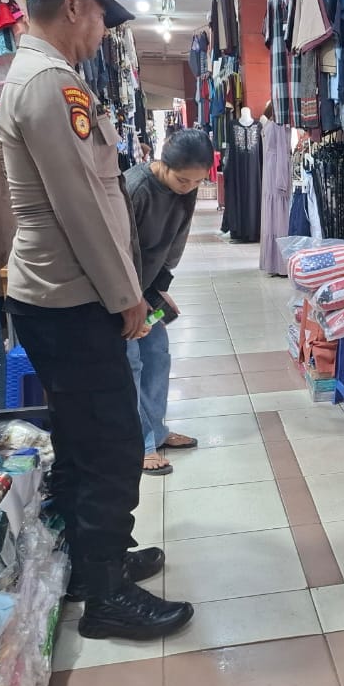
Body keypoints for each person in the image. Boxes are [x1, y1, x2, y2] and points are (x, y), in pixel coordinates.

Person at [0, 0, 193, 641]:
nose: (102, 33)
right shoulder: (51, 83)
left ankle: (92, 563)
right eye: (101, 18)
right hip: (72, 297)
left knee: (85, 437)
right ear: (75, 6)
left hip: (60, 294)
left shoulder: (40, 77)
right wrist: (126, 296)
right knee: (110, 444)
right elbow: (83, 206)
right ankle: (106, 597)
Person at [125, 129, 212, 476]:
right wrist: (132, 299)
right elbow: (119, 250)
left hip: (145, 287)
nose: (188, 188)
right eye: (182, 180)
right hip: (120, 289)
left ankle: (156, 431)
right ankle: (140, 445)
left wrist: (157, 289)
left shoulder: (185, 190)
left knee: (157, 355)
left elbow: (176, 240)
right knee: (130, 363)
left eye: (197, 182)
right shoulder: (135, 188)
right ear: (163, 163)